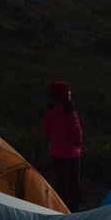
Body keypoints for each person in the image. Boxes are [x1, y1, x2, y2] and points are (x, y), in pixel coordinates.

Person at [43, 80, 83, 212]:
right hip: (71, 153)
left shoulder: (50, 110)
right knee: (73, 183)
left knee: (60, 181)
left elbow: (48, 130)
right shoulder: (69, 111)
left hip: (56, 152)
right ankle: (74, 209)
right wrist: (78, 143)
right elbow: (76, 131)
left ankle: (60, 207)